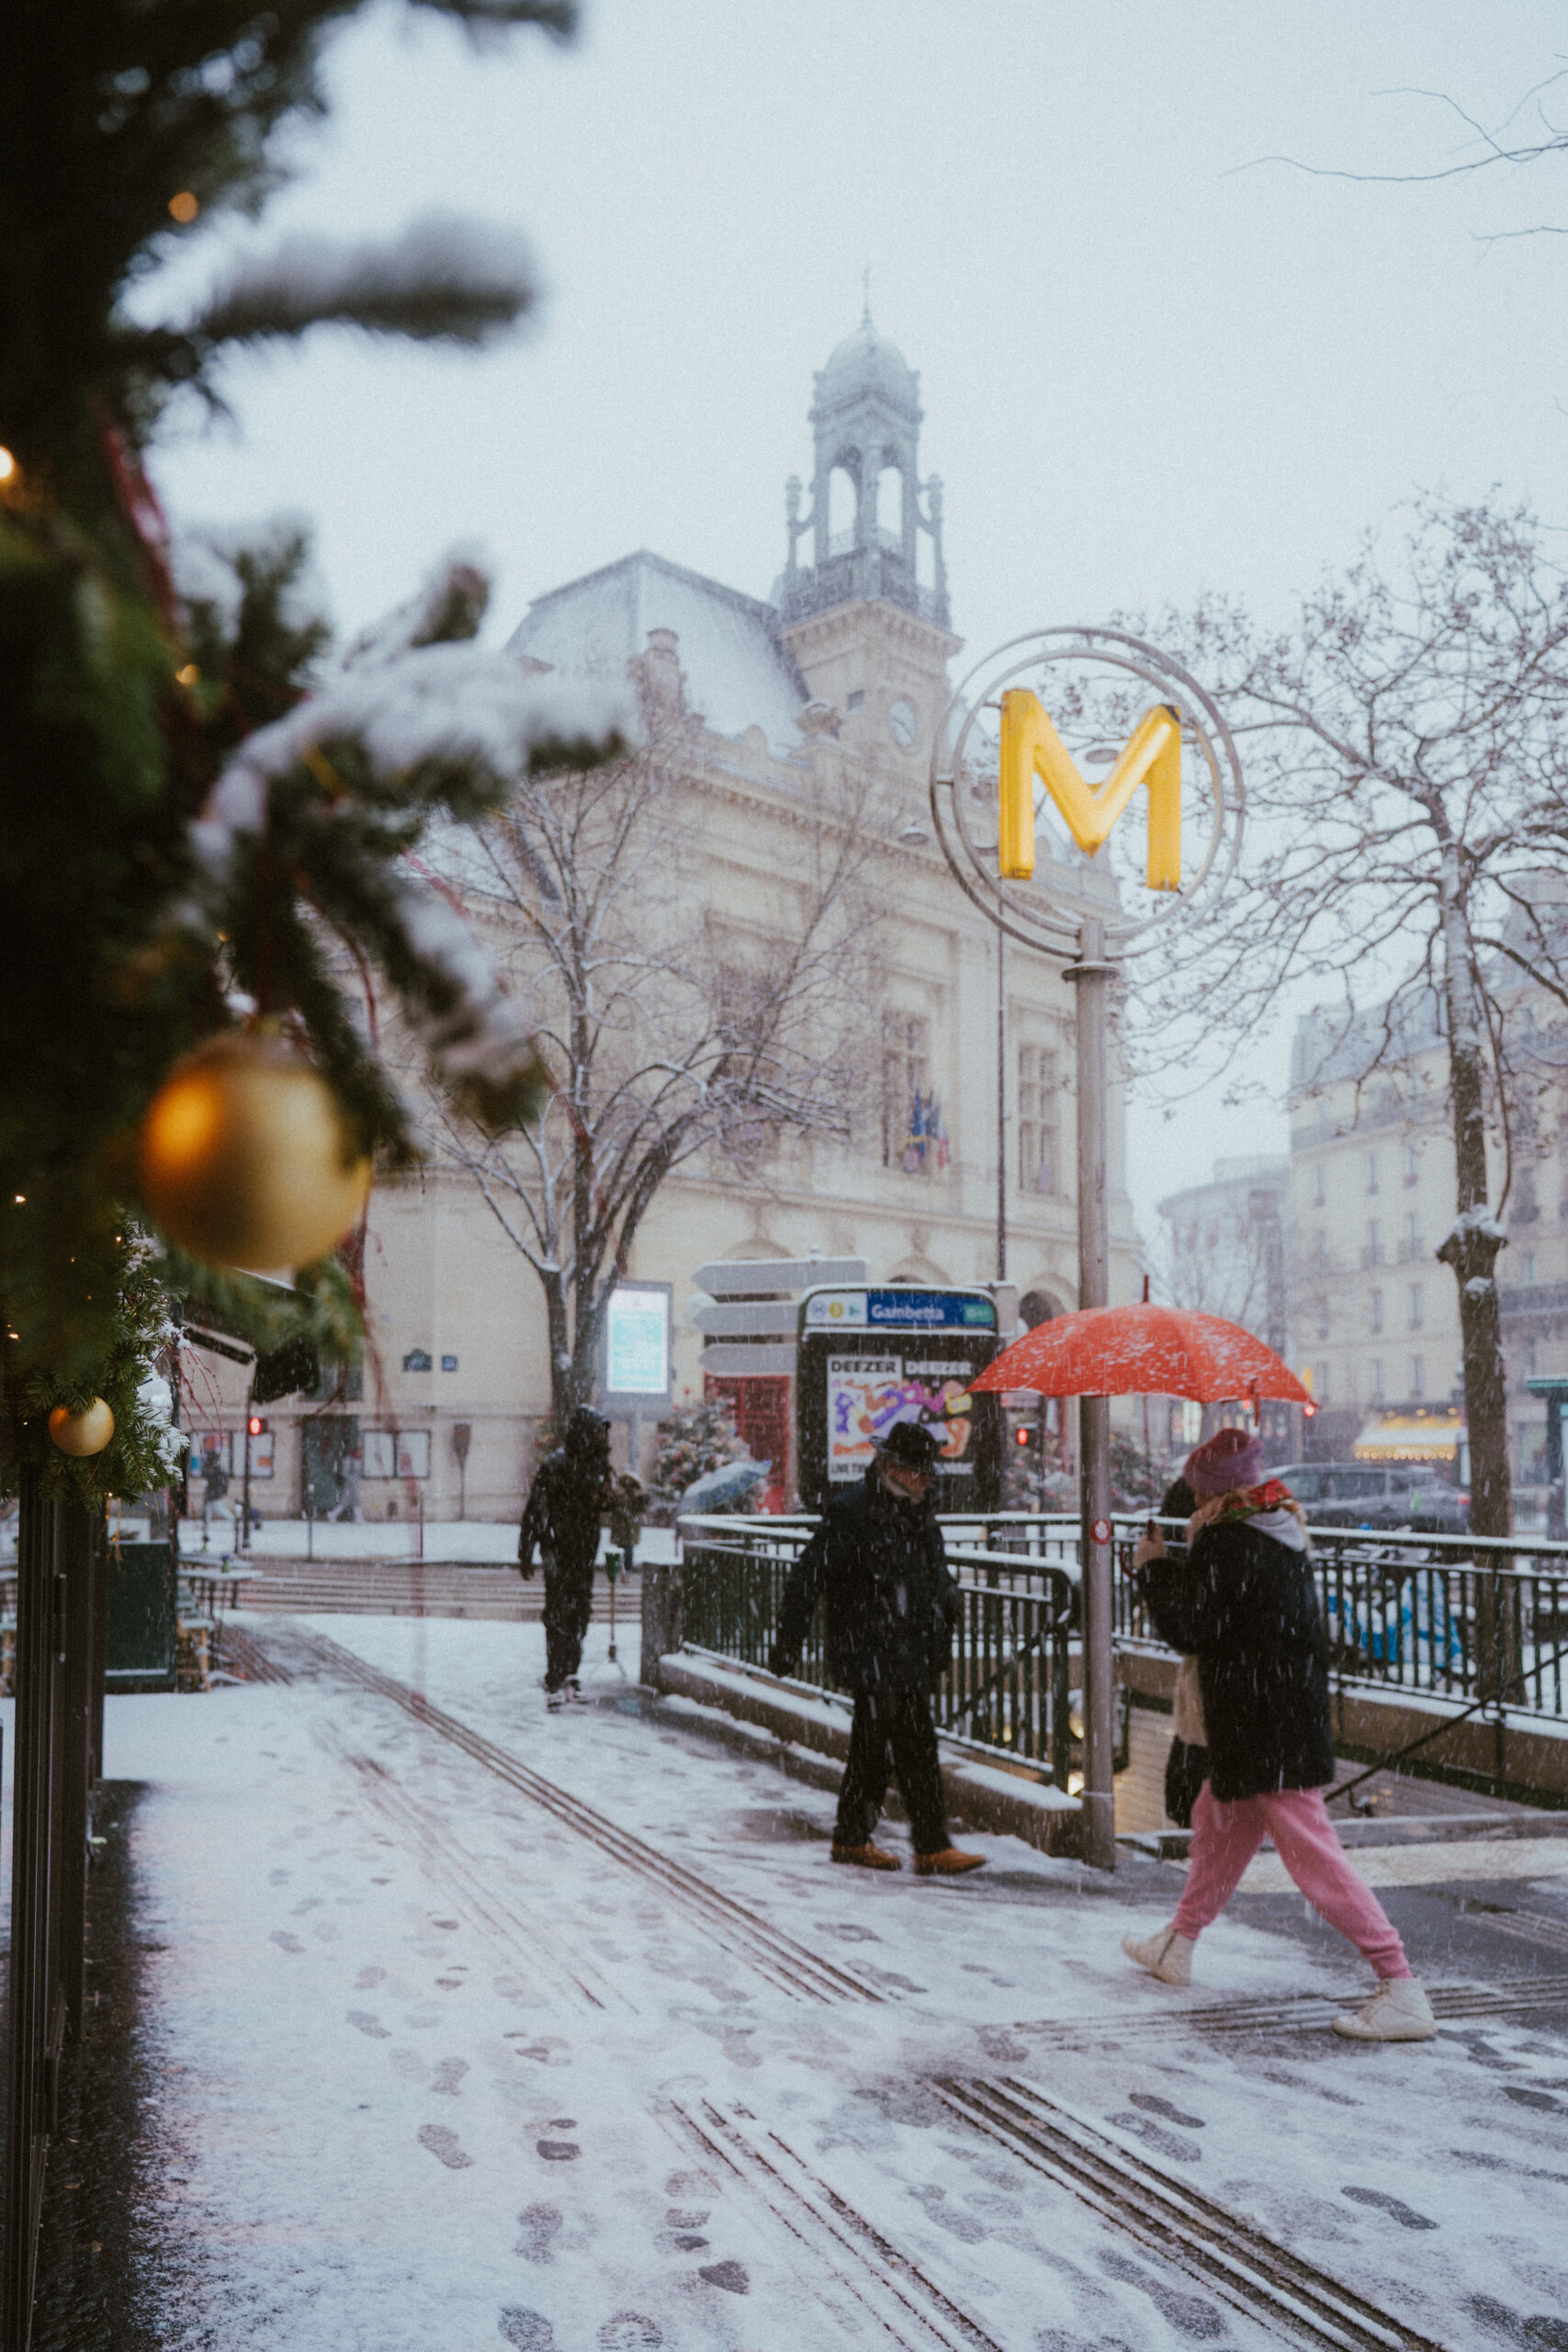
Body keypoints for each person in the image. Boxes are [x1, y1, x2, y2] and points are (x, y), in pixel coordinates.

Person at [1123, 1426, 1435, 2042]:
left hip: (1261, 1723)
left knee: (1313, 1857)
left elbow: (1192, 1629)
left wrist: (1153, 1569)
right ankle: (1177, 1942)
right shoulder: (1271, 1526)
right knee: (1218, 1829)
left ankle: (1399, 1983)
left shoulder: (1230, 1542)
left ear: (1208, 1494)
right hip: (1271, 1715)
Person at [768, 1419, 985, 1877]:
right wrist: (789, 1639)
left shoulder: (920, 1515)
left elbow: (935, 1572)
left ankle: (858, 1837)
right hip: (868, 1645)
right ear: (891, 1467)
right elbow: (809, 1576)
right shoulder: (852, 1512)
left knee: (882, 1744)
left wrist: (947, 1599)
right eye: (917, 1472)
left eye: (928, 1473)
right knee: (910, 1743)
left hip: (909, 1648)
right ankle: (924, 1843)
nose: (925, 1481)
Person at [519, 1408, 618, 1709]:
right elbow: (536, 1508)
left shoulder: (598, 1466)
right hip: (557, 1548)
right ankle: (554, 1676)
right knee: (558, 1611)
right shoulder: (556, 1465)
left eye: (603, 1432)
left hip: (584, 1550)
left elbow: (603, 1505)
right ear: (582, 1433)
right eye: (596, 1431)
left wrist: (614, 1500)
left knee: (579, 1610)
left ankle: (572, 1672)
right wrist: (526, 1549)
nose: (602, 1437)